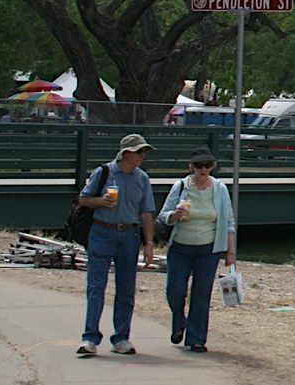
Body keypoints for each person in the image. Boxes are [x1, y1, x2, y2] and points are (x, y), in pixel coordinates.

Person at [77, 133, 157, 356]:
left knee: (126, 288)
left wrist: (149, 243)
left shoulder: (142, 178)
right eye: (139, 151)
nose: (142, 155)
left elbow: (146, 213)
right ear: (126, 153)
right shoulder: (104, 172)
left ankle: (121, 338)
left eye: (144, 151)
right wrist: (101, 201)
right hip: (102, 231)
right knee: (96, 286)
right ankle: (90, 338)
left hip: (129, 234)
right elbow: (83, 199)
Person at [158, 147, 236, 353]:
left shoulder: (219, 189)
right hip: (180, 247)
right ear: (191, 167)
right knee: (175, 290)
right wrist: (175, 215)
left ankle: (196, 339)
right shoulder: (181, 186)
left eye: (207, 165)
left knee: (201, 294)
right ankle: (179, 321)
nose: (203, 170)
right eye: (199, 166)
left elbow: (229, 222)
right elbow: (163, 215)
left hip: (208, 249)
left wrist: (230, 253)